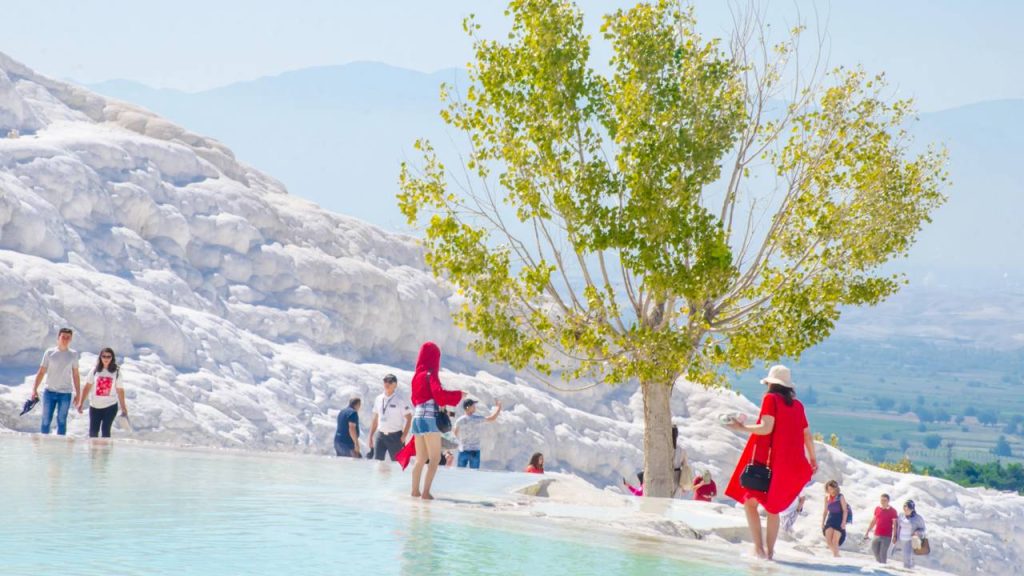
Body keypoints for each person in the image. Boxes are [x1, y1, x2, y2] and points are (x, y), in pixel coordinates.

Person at [725, 365, 816, 560]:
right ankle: (771, 552)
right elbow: (806, 434)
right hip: (788, 462)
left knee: (750, 503)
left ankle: (758, 548)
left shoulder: (770, 399)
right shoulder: (798, 406)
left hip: (766, 460)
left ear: (770, 384)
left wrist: (741, 427)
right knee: (773, 508)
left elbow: (766, 428)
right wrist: (813, 458)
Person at [409, 341, 463, 500]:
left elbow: (414, 399)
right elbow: (439, 394)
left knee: (420, 459)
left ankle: (414, 491)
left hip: (417, 418)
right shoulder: (430, 374)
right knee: (435, 458)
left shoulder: (416, 376)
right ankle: (425, 492)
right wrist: (459, 395)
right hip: (429, 418)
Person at [31, 328, 82, 436]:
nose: (65, 339)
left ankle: (60, 449)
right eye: (63, 337)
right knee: (45, 420)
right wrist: (34, 389)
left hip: (65, 393)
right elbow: (41, 372)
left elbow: (76, 375)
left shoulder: (73, 354)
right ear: (58, 337)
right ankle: (43, 446)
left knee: (62, 421)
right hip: (49, 392)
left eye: (68, 338)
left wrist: (78, 393)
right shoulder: (49, 352)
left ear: (71, 339)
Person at [76, 348, 128, 438]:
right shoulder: (95, 370)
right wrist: (81, 402)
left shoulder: (116, 372)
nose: (106, 358)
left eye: (109, 356)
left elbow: (120, 390)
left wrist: (123, 407)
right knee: (93, 432)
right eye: (104, 356)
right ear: (100, 357)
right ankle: (93, 451)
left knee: (105, 430)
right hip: (95, 406)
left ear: (112, 358)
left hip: (110, 406)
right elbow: (87, 386)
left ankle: (105, 452)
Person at [368, 374, 412, 461]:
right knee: (378, 463)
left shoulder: (400, 400)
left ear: (395, 385)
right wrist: (370, 436)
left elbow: (409, 418)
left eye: (390, 381)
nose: (387, 383)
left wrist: (404, 436)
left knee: (397, 464)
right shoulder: (379, 399)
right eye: (385, 381)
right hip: (380, 436)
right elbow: (375, 418)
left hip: (395, 437)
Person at [453, 397, 502, 469]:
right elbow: (492, 418)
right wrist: (499, 408)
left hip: (463, 451)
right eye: (473, 406)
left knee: (460, 472)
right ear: (468, 407)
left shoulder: (459, 420)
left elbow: (455, 433)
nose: (475, 407)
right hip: (475, 451)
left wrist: (461, 441)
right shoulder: (477, 419)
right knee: (474, 475)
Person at [864, 493, 899, 564]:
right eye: (882, 500)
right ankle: (880, 565)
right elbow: (874, 520)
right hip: (876, 534)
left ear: (888, 501)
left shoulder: (893, 511)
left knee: (883, 553)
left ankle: (883, 567)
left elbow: (895, 525)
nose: (883, 502)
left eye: (885, 500)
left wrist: (895, 536)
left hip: (887, 536)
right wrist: (868, 531)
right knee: (874, 549)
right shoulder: (877, 509)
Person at [893, 499, 927, 569]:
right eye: (905, 507)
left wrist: (917, 532)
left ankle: (908, 571)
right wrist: (895, 536)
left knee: (907, 557)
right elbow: (897, 525)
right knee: (895, 555)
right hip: (900, 539)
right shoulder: (901, 515)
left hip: (909, 541)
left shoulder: (918, 518)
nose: (906, 509)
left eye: (908, 508)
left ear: (912, 509)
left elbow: (923, 529)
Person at [821, 480, 850, 557]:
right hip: (830, 519)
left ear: (836, 488)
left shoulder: (840, 496)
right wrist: (822, 523)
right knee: (828, 541)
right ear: (827, 489)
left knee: (835, 541)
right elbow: (825, 511)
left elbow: (845, 510)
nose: (832, 491)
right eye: (830, 489)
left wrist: (843, 522)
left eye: (833, 489)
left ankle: (836, 557)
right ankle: (837, 555)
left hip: (839, 519)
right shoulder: (827, 498)